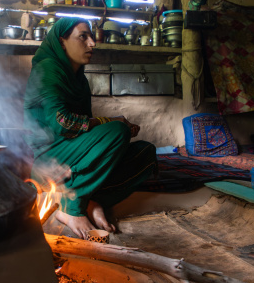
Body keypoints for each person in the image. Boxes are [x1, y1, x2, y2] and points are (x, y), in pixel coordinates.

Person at [23, 17, 157, 239]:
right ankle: (71, 207)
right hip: (48, 160)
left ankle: (92, 200)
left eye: (92, 36)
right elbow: (64, 124)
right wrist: (112, 122)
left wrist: (110, 129)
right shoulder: (48, 70)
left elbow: (85, 126)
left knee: (146, 153)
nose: (92, 43)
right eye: (82, 37)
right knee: (117, 132)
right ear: (62, 41)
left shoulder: (79, 79)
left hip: (72, 153)